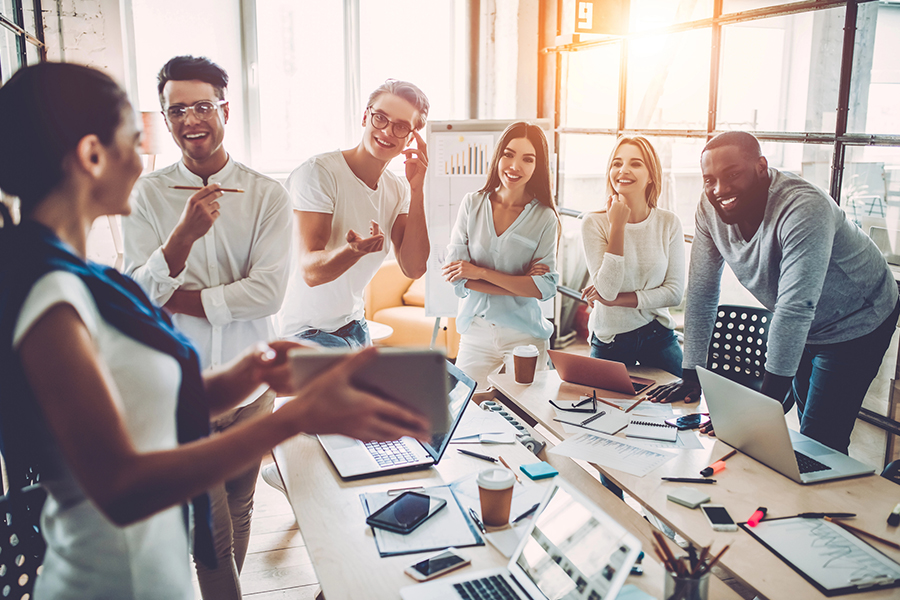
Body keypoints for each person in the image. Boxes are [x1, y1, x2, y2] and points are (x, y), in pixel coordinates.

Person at [0, 62, 429, 600]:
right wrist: (293, 419)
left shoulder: (80, 277)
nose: (145, 160)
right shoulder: (48, 293)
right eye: (136, 140)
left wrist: (248, 371)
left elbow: (141, 405)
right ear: (90, 156)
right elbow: (120, 487)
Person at [121, 56, 290, 598]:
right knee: (209, 535)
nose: (190, 119)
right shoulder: (146, 196)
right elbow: (139, 300)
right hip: (183, 395)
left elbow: (268, 293)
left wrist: (179, 296)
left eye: (201, 106)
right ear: (167, 120)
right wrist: (181, 241)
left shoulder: (268, 195)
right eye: (176, 110)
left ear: (224, 110)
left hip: (252, 388)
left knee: (239, 510)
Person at [650, 131, 899, 455]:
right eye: (709, 179)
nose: (719, 190)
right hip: (805, 321)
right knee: (796, 429)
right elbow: (701, 291)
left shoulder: (804, 208)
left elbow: (795, 309)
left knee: (819, 440)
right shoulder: (709, 208)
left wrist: (759, 410)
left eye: (733, 175)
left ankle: (825, 504)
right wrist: (691, 374)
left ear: (761, 168)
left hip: (858, 320)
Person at [278, 79, 430, 349]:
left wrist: (418, 189)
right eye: (380, 118)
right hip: (306, 333)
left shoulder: (397, 189)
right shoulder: (319, 173)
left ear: (412, 137)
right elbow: (311, 272)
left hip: (355, 326)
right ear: (365, 116)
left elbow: (414, 267)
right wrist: (352, 252)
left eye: (401, 126)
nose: (387, 131)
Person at [442, 121, 560, 391]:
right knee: (465, 414)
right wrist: (519, 284)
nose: (515, 166)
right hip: (476, 331)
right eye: (509, 154)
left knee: (525, 418)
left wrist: (479, 272)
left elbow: (544, 288)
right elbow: (456, 278)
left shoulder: (544, 217)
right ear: (498, 156)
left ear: (537, 166)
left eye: (527, 159)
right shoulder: (472, 204)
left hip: (525, 336)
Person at [580, 135, 685, 377]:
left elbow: (674, 293)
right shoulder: (594, 223)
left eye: (635, 163)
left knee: (687, 405)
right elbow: (606, 290)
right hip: (611, 339)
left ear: (651, 175)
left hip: (657, 333)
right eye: (617, 163)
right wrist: (617, 227)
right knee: (606, 410)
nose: (623, 170)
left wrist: (617, 300)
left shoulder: (668, 223)